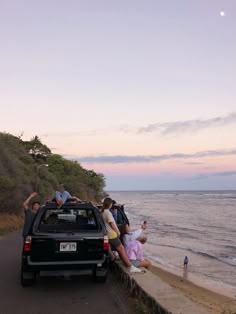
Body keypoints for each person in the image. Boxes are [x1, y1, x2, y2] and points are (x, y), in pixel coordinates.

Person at [101, 197, 142, 273]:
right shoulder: (107, 212)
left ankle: (119, 260)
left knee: (118, 249)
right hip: (112, 234)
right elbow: (112, 223)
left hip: (107, 234)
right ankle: (130, 267)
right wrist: (117, 232)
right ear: (110, 204)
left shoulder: (102, 212)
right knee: (121, 249)